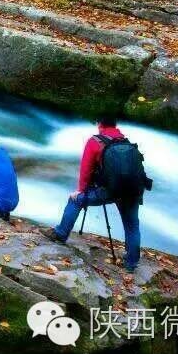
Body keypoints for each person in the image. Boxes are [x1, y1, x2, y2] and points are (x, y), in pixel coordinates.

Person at [46, 115, 145, 272]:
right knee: (132, 225)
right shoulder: (126, 142)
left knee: (75, 201)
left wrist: (80, 190)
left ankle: (61, 234)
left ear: (100, 124)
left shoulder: (95, 141)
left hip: (109, 191)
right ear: (115, 124)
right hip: (132, 191)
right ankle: (131, 263)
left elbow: (85, 170)